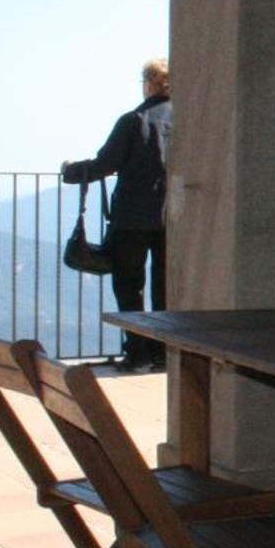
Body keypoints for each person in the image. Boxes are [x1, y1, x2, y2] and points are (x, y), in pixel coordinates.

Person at [63, 58, 172, 372]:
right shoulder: (186, 121)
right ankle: (163, 352)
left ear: (148, 83)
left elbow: (105, 164)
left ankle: (136, 353)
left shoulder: (133, 120)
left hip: (131, 218)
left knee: (129, 285)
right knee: (165, 287)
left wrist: (70, 171)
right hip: (173, 220)